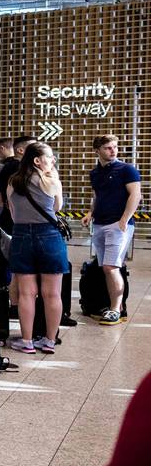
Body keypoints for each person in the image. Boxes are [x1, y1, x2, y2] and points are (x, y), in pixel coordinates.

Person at [6, 141, 69, 354]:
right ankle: (50, 340)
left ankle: (27, 341)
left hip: (22, 235)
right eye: (50, 157)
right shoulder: (52, 182)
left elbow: (13, 214)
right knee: (52, 294)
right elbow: (57, 208)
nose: (53, 161)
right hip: (49, 236)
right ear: (37, 160)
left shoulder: (13, 181)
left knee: (26, 293)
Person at [84, 134, 142, 326]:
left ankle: (116, 309)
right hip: (100, 224)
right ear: (97, 150)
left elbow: (136, 194)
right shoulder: (95, 173)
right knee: (106, 267)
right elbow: (97, 197)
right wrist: (90, 213)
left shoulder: (127, 169)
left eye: (115, 147)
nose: (113, 150)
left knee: (111, 266)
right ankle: (111, 306)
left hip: (118, 225)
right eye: (108, 147)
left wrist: (125, 219)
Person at [0, 135, 33, 235]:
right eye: (32, 148)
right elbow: (1, 196)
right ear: (21, 150)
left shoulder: (11, 166)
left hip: (13, 215)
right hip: (15, 217)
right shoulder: (17, 167)